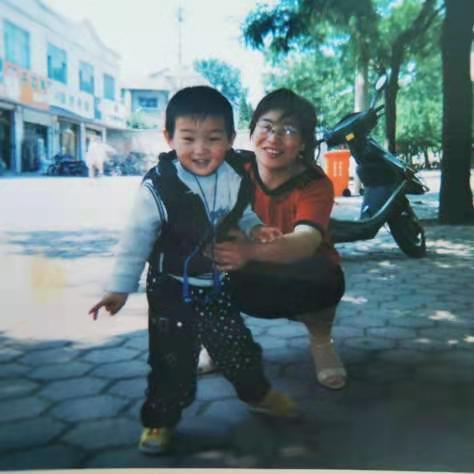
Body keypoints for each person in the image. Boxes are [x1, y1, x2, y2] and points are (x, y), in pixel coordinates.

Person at [88, 86, 298, 456]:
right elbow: (136, 239)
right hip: (170, 289)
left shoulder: (235, 175)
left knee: (238, 348)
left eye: (213, 139)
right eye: (188, 138)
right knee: (172, 361)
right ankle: (159, 419)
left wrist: (255, 228)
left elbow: (241, 213)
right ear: (169, 137)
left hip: (215, 284)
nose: (201, 149)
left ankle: (257, 394)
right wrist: (119, 288)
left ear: (230, 139)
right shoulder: (159, 186)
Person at [211, 89, 347, 390]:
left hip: (301, 273)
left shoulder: (314, 183)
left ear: (303, 143)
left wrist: (249, 251)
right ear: (252, 131)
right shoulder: (230, 170)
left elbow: (307, 240)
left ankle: (322, 343)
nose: (274, 138)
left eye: (288, 131)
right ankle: (219, 340)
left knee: (325, 275)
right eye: (267, 126)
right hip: (246, 272)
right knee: (199, 264)